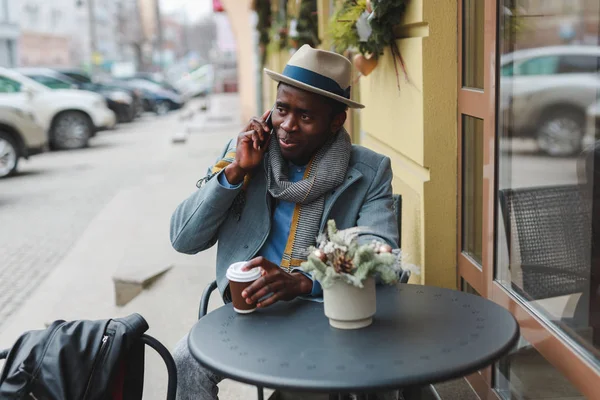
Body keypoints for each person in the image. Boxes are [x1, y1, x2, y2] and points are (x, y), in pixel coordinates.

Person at [169, 45, 399, 400]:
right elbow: (183, 238)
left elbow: (382, 255)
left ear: (336, 121)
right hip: (249, 311)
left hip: (326, 312)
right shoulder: (245, 152)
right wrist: (234, 173)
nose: (288, 126)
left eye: (305, 116)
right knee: (184, 360)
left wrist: (306, 282)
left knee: (313, 388)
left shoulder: (369, 172)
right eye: (282, 109)